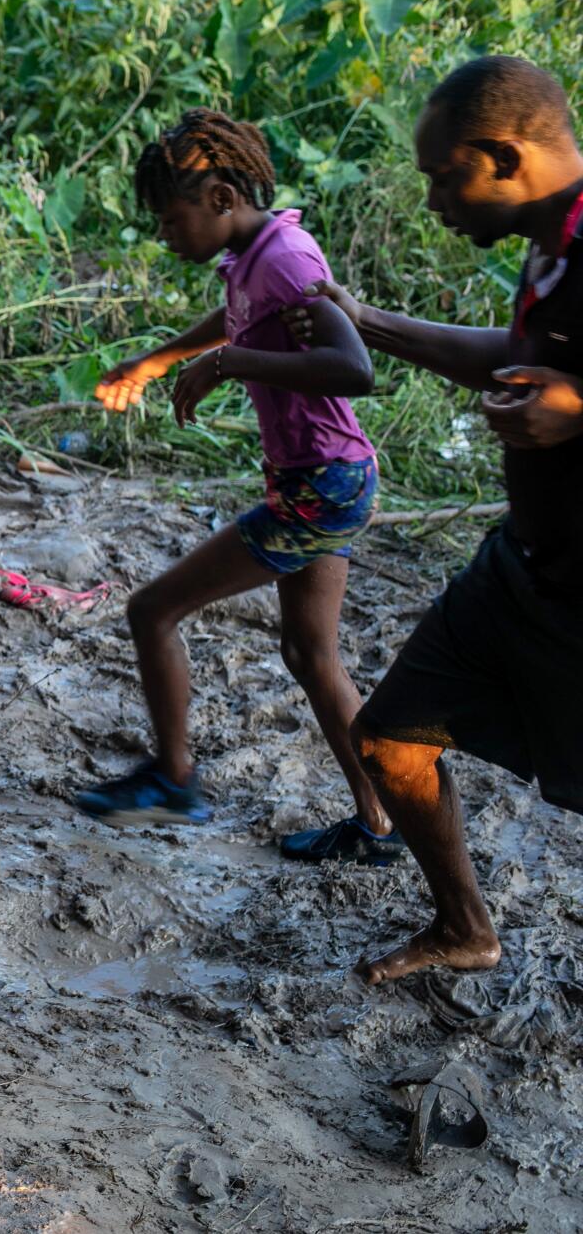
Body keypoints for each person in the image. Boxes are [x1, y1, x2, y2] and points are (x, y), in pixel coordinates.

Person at [280, 56, 583, 984]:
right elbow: (517, 354)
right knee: (390, 738)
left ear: (501, 155)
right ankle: (465, 927)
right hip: (520, 572)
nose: (432, 201)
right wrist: (368, 321)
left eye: (441, 176)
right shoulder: (552, 240)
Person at [79, 109, 384, 860]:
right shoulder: (256, 257)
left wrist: (232, 363)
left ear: (220, 197)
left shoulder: (284, 256)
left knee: (153, 610)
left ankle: (175, 780)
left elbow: (355, 366)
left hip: (320, 487)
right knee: (312, 656)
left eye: (173, 217)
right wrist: (157, 360)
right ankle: (382, 822)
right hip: (324, 480)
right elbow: (239, 316)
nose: (167, 235)